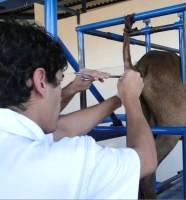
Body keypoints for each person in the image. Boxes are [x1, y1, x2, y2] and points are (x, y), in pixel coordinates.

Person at [0, 21, 157, 199]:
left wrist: (119, 98)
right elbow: (145, 160)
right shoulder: (69, 161)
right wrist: (131, 99)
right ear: (40, 81)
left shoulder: (13, 138)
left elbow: (65, 128)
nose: (60, 89)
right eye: (59, 82)